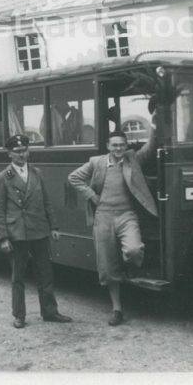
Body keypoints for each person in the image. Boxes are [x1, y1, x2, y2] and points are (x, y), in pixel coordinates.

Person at [68, 122, 157, 326]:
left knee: (134, 251)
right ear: (108, 146)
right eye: (115, 145)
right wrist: (92, 195)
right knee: (107, 269)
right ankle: (117, 309)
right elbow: (73, 178)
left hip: (127, 216)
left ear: (126, 147)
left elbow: (151, 147)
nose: (118, 149)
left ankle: (127, 269)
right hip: (104, 217)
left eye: (122, 146)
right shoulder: (96, 162)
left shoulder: (133, 159)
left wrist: (155, 123)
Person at [0, 134, 72, 329]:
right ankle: (19, 315)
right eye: (17, 152)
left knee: (45, 274)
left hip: (39, 230)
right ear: (9, 154)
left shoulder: (36, 173)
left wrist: (53, 226)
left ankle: (50, 312)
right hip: (17, 233)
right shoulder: (3, 178)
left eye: (24, 151)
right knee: (18, 276)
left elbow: (46, 202)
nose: (21, 155)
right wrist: (3, 237)